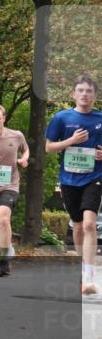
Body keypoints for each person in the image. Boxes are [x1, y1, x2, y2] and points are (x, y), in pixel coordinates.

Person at [45, 74, 102, 295]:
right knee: (78, 226)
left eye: (89, 91)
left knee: (89, 224)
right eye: (81, 90)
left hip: (94, 177)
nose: (84, 94)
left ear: (95, 95)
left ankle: (88, 276)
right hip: (69, 179)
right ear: (73, 94)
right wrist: (71, 141)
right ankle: (83, 266)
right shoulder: (61, 118)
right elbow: (49, 147)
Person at [0, 103, 28, 277]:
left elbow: (26, 150)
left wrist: (23, 159)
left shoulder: (16, 135)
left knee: (3, 217)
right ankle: (5, 249)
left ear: (4, 119)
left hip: (10, 185)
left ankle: (4, 263)